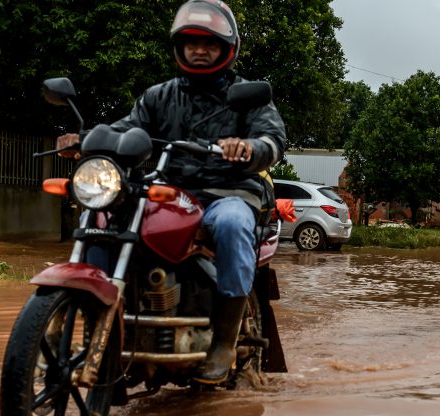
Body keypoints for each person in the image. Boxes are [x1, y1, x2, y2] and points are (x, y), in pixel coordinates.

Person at [56, 0, 287, 385]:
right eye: (192, 43)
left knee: (231, 223)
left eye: (209, 44)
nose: (199, 50)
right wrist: (84, 141)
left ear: (226, 49)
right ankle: (100, 325)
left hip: (227, 192)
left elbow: (273, 139)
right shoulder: (158, 96)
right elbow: (126, 128)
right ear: (179, 47)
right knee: (103, 214)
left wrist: (249, 148)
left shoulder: (249, 96)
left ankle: (224, 342)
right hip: (171, 191)